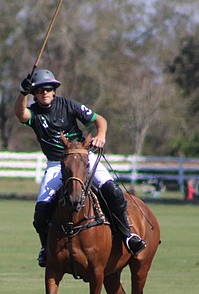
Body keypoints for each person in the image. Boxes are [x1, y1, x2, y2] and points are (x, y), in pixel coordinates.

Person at [14, 68, 146, 267]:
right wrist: (22, 93)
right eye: (40, 90)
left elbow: (99, 119)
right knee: (41, 211)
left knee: (113, 191)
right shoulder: (34, 113)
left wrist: (101, 134)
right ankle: (45, 248)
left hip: (83, 158)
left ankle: (128, 235)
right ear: (35, 93)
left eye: (48, 89)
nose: (45, 93)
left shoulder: (67, 105)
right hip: (57, 165)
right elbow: (20, 113)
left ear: (54, 91)